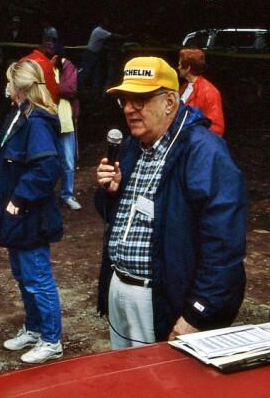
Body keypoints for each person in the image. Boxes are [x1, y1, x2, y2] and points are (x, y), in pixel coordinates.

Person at [95, 56, 246, 350]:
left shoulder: (204, 152)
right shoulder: (130, 148)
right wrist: (109, 193)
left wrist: (198, 311)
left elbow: (224, 246)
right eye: (125, 100)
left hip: (164, 298)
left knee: (163, 390)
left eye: (140, 99)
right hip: (121, 288)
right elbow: (113, 218)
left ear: (169, 102)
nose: (129, 109)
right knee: (127, 385)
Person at [0, 60, 64, 365]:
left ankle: (51, 339)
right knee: (22, 275)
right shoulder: (20, 114)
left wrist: (19, 198)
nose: (6, 87)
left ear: (19, 86)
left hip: (30, 214)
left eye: (9, 82)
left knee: (37, 276)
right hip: (16, 215)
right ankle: (33, 328)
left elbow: (47, 166)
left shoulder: (38, 121)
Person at [53, 45, 81, 210]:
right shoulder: (44, 67)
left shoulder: (67, 65)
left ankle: (67, 194)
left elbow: (70, 89)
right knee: (46, 159)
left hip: (65, 119)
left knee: (68, 161)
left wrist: (50, 85)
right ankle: (46, 196)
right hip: (47, 120)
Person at [178, 48, 225, 136]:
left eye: (180, 65)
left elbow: (216, 128)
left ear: (188, 68)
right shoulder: (184, 87)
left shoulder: (210, 92)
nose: (178, 67)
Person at [20, 31, 60, 104]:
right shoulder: (47, 65)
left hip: (21, 106)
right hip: (39, 108)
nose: (52, 45)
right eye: (49, 41)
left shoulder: (23, 60)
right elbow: (54, 94)